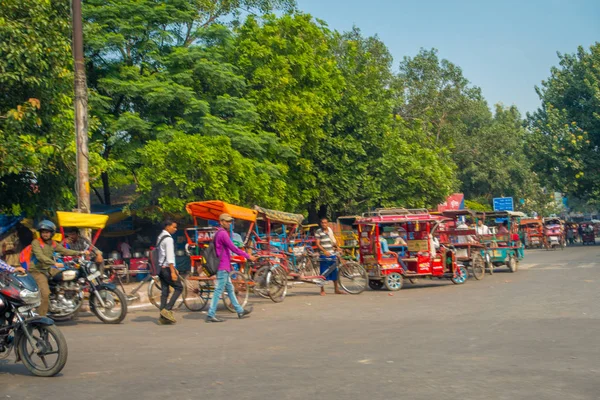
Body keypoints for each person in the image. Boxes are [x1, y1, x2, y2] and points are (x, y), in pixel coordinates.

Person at [206, 214, 257, 323]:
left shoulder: (219, 233)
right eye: (227, 221)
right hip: (222, 266)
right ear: (221, 222)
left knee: (229, 289)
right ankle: (211, 314)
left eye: (230, 222)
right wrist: (248, 256)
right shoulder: (223, 234)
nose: (229, 223)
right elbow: (233, 248)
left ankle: (239, 310)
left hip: (224, 265)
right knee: (218, 290)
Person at [29, 220, 85, 317]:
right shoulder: (36, 242)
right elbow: (40, 257)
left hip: (49, 269)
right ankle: (40, 318)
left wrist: (79, 253)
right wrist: (54, 263)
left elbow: (64, 250)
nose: (45, 234)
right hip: (37, 271)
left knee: (66, 276)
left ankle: (61, 296)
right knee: (45, 294)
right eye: (43, 232)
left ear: (51, 233)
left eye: (47, 232)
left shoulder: (53, 243)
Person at [156, 220, 184, 325]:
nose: (175, 229)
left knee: (165, 291)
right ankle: (167, 310)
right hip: (167, 268)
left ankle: (162, 317)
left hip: (160, 268)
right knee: (179, 287)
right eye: (174, 227)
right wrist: (172, 271)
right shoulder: (168, 239)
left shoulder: (160, 237)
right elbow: (170, 257)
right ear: (167, 227)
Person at [314, 217, 344, 296]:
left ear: (327, 223)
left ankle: (336, 289)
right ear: (321, 224)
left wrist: (337, 248)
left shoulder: (330, 231)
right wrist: (324, 251)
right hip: (324, 255)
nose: (324, 224)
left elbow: (333, 242)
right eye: (322, 223)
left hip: (332, 253)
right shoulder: (318, 232)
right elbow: (317, 244)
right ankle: (322, 290)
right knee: (323, 273)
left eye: (325, 223)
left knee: (335, 272)